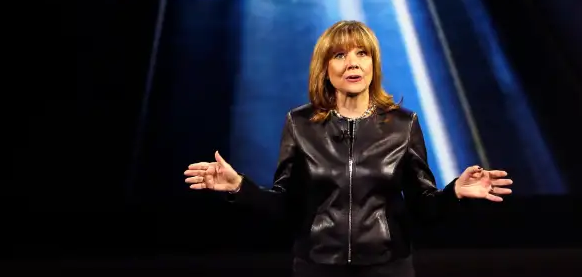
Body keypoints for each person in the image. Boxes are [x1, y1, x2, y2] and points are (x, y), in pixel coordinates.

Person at [183, 20, 513, 277]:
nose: (352, 63)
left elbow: (423, 208)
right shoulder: (300, 124)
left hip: (388, 267)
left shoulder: (402, 124)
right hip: (318, 267)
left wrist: (455, 192)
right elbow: (285, 206)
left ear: (373, 64)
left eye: (361, 54)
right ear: (325, 69)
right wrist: (240, 187)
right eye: (340, 55)